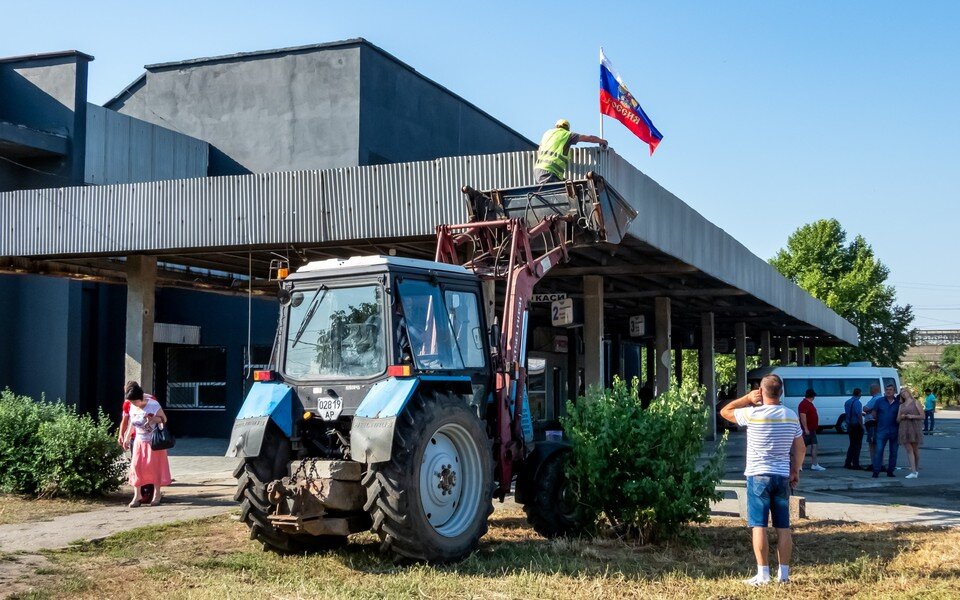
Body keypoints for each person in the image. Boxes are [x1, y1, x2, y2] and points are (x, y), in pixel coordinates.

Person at [720, 374, 805, 586]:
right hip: (781, 476)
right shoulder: (791, 416)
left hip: (758, 475)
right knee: (783, 526)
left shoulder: (753, 414)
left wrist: (747, 399)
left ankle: (762, 574)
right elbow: (800, 447)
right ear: (781, 392)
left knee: (759, 525)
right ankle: (783, 575)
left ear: (761, 391)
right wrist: (795, 470)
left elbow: (724, 411)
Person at [124, 382, 172, 507]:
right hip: (139, 441)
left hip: (153, 442)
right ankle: (137, 495)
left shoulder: (153, 404)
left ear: (141, 398)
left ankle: (157, 494)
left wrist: (152, 418)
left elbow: (164, 419)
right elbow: (131, 423)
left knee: (155, 468)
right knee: (136, 467)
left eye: (135, 402)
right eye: (131, 402)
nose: (133, 404)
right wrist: (127, 437)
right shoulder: (132, 406)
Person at [533, 119, 608, 184]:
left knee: (569, 186)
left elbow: (540, 149)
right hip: (549, 172)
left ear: (556, 126)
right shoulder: (566, 134)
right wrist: (602, 141)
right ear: (567, 129)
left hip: (537, 171)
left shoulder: (547, 133)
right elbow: (590, 138)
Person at [870, 384, 901, 478]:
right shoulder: (879, 401)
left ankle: (890, 471)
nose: (888, 391)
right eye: (887, 389)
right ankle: (876, 471)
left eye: (890, 390)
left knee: (894, 452)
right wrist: (879, 421)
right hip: (881, 430)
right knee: (879, 451)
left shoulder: (898, 403)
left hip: (895, 431)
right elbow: (874, 413)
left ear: (894, 391)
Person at [898, 387, 924, 479]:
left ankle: (916, 470)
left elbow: (922, 416)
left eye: (904, 392)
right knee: (909, 449)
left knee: (915, 450)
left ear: (908, 392)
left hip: (914, 427)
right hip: (904, 428)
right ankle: (913, 471)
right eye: (901, 393)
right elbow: (897, 420)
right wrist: (902, 417)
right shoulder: (901, 405)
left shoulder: (915, 402)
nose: (903, 394)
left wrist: (911, 416)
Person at [798, 389, 825, 471]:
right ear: (813, 396)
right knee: (803, 447)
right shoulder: (804, 404)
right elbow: (803, 416)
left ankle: (814, 464)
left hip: (812, 429)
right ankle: (799, 465)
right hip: (807, 429)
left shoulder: (809, 404)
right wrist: (805, 428)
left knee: (814, 446)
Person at [843, 388, 865, 470]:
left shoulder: (847, 402)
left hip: (850, 425)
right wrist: (862, 426)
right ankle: (856, 464)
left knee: (852, 444)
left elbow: (848, 413)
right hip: (856, 425)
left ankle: (848, 462)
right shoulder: (858, 403)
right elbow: (858, 415)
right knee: (857, 445)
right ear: (859, 394)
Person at [862, 383, 882, 470]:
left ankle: (875, 464)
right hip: (876, 423)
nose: (869, 391)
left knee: (872, 444)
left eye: (870, 389)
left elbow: (865, 408)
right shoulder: (880, 398)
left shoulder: (876, 399)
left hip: (872, 423)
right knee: (877, 444)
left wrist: (868, 410)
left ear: (874, 390)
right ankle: (878, 463)